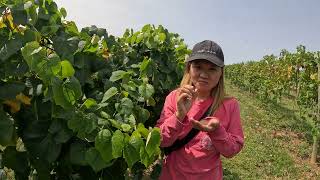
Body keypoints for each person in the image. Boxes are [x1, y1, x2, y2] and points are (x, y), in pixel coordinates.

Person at [156, 40, 244, 180]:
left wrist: (217, 131)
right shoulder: (174, 98)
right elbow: (161, 140)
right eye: (198, 67)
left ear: (221, 73)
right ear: (189, 69)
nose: (204, 74)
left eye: (212, 69)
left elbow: (232, 150)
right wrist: (179, 115)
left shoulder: (230, 105)